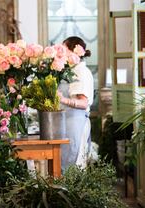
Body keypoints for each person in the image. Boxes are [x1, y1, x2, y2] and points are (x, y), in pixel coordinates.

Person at [58, 36, 94, 170]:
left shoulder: (81, 72)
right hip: (69, 123)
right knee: (66, 163)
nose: (60, 53)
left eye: (63, 49)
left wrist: (62, 99)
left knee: (73, 165)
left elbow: (83, 103)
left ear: (74, 51)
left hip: (76, 123)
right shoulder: (71, 71)